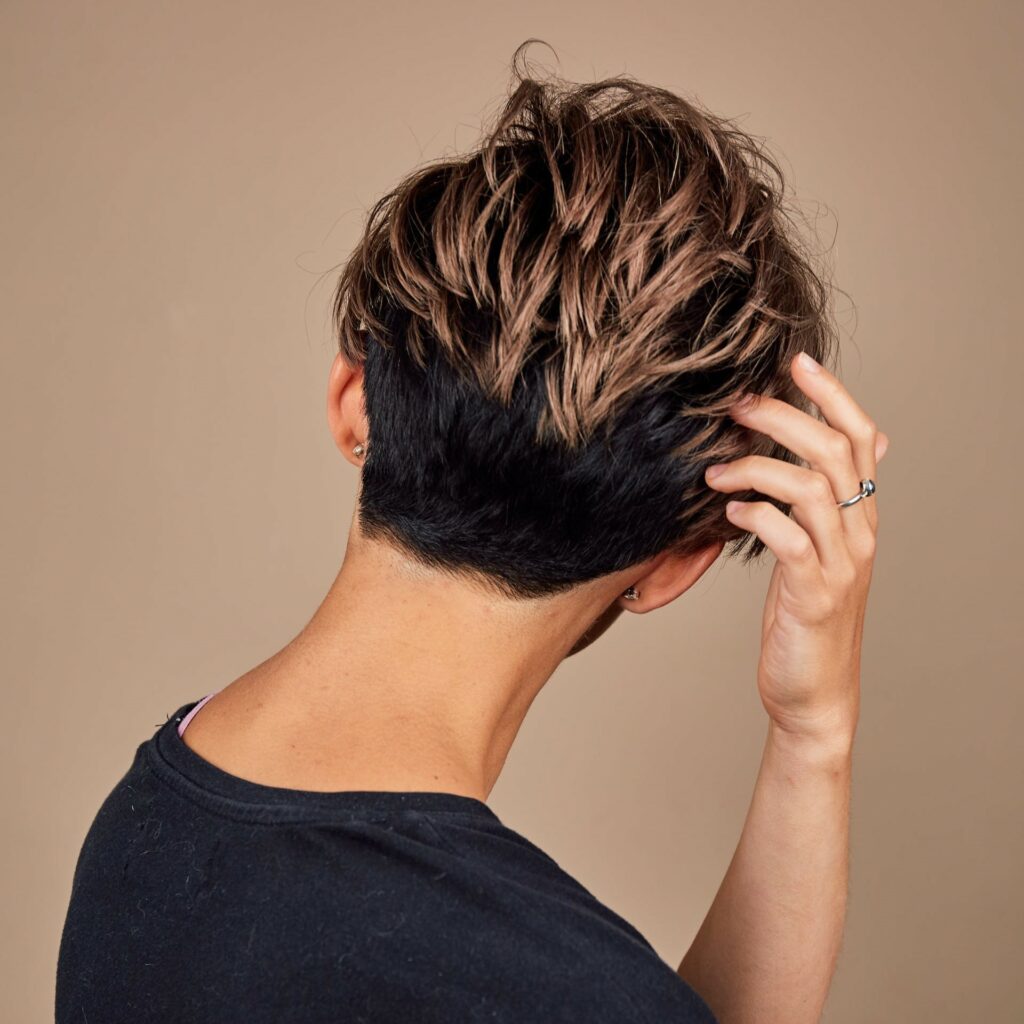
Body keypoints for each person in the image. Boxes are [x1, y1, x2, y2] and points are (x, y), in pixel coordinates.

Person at [56, 41, 887, 1024]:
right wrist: (818, 730)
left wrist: (808, 737)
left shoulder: (147, 818)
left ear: (354, 400)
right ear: (675, 568)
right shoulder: (565, 989)